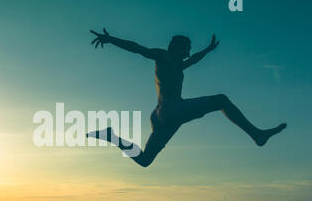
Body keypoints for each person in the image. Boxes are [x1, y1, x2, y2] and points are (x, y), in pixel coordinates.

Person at [87, 28, 287, 167]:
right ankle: (256, 134)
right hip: (173, 109)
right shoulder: (163, 56)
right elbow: (139, 48)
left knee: (145, 160)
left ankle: (113, 137)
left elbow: (193, 59)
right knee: (221, 100)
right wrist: (111, 39)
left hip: (160, 115)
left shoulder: (177, 64)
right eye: (187, 47)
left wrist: (208, 50)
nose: (189, 51)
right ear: (177, 46)